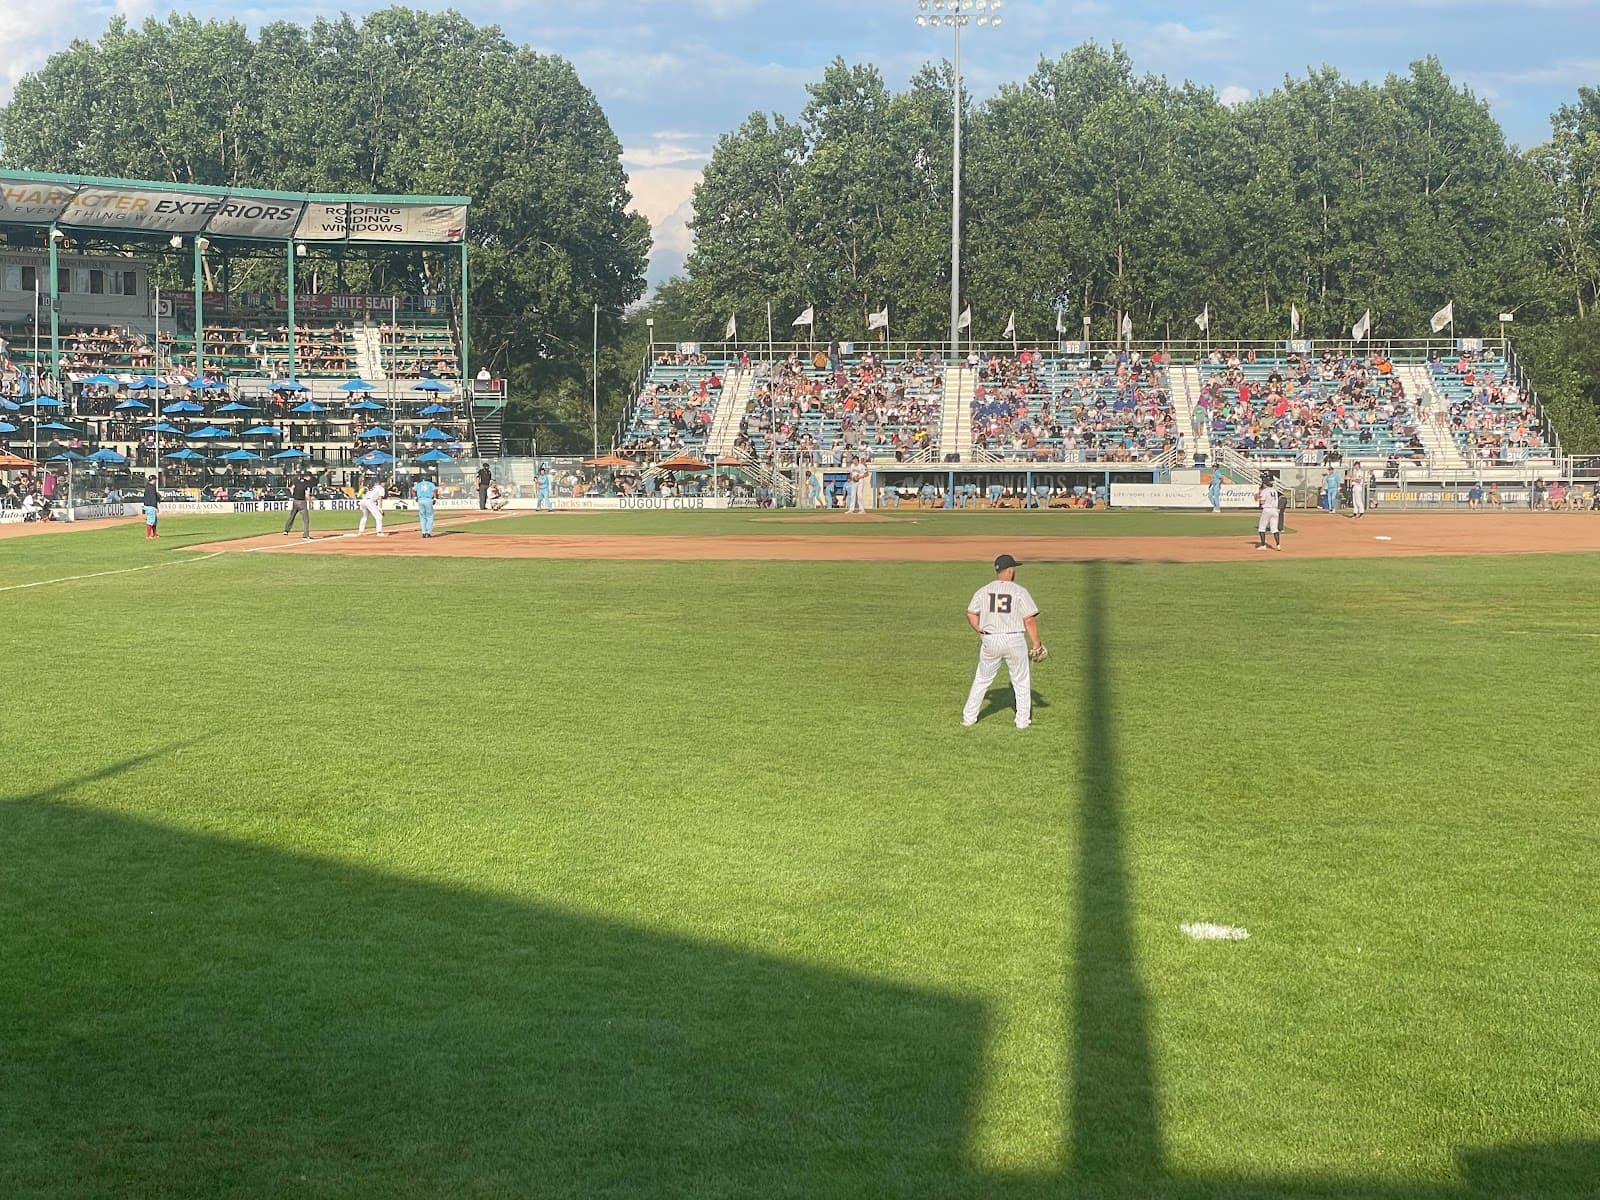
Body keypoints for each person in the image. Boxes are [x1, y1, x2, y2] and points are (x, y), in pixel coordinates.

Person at [962, 554, 1044, 730]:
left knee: (982, 679)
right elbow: (1029, 619)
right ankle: (1022, 722)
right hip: (1014, 639)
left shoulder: (983, 590)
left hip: (991, 639)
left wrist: (980, 631)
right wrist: (1036, 643)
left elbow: (971, 613)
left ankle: (968, 719)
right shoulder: (1019, 591)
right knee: (1021, 681)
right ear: (1010, 570)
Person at [283, 468, 315, 539]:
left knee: (292, 516)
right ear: (307, 476)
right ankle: (305, 535)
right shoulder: (307, 483)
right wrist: (310, 501)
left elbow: (291, 488)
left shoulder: (296, 481)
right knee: (306, 519)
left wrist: (293, 494)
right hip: (302, 502)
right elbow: (307, 495)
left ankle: (286, 530)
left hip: (295, 501)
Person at [1255, 473, 1282, 551]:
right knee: (1274, 529)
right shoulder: (1274, 491)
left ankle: (1263, 545)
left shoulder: (1264, 491)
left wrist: (1258, 498)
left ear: (1265, 483)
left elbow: (1262, 502)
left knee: (1261, 528)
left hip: (1267, 509)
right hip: (1275, 510)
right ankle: (1278, 545)